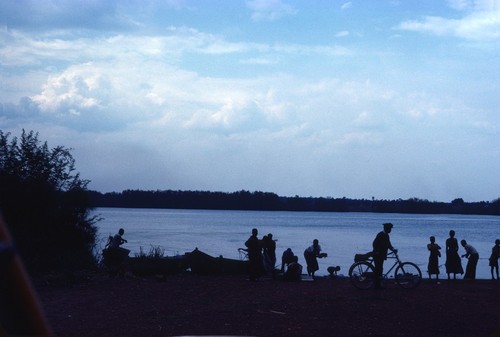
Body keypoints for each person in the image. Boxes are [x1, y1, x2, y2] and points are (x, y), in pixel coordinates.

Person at [372, 223, 396, 289]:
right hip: (377, 255)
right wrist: (377, 251)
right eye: (389, 229)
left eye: (391, 229)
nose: (390, 230)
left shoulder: (386, 235)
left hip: (381, 255)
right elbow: (374, 244)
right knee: (378, 269)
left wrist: (393, 249)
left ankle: (378, 284)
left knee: (380, 269)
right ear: (386, 228)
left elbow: (389, 245)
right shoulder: (380, 234)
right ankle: (377, 285)